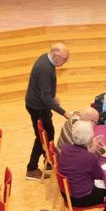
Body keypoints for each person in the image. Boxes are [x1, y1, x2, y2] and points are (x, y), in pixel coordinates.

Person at [25, 42, 70, 180]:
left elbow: (44, 90)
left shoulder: (46, 59)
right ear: (55, 55)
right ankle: (31, 169)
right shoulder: (45, 68)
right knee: (42, 136)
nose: (65, 62)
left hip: (37, 104)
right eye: (64, 59)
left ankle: (48, 161)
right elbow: (45, 98)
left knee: (48, 133)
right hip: (38, 107)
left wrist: (52, 95)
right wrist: (64, 112)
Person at [58, 119, 106, 211]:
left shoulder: (65, 148)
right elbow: (98, 176)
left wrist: (91, 149)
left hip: (67, 194)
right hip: (81, 198)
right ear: (90, 138)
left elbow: (80, 159)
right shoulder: (89, 157)